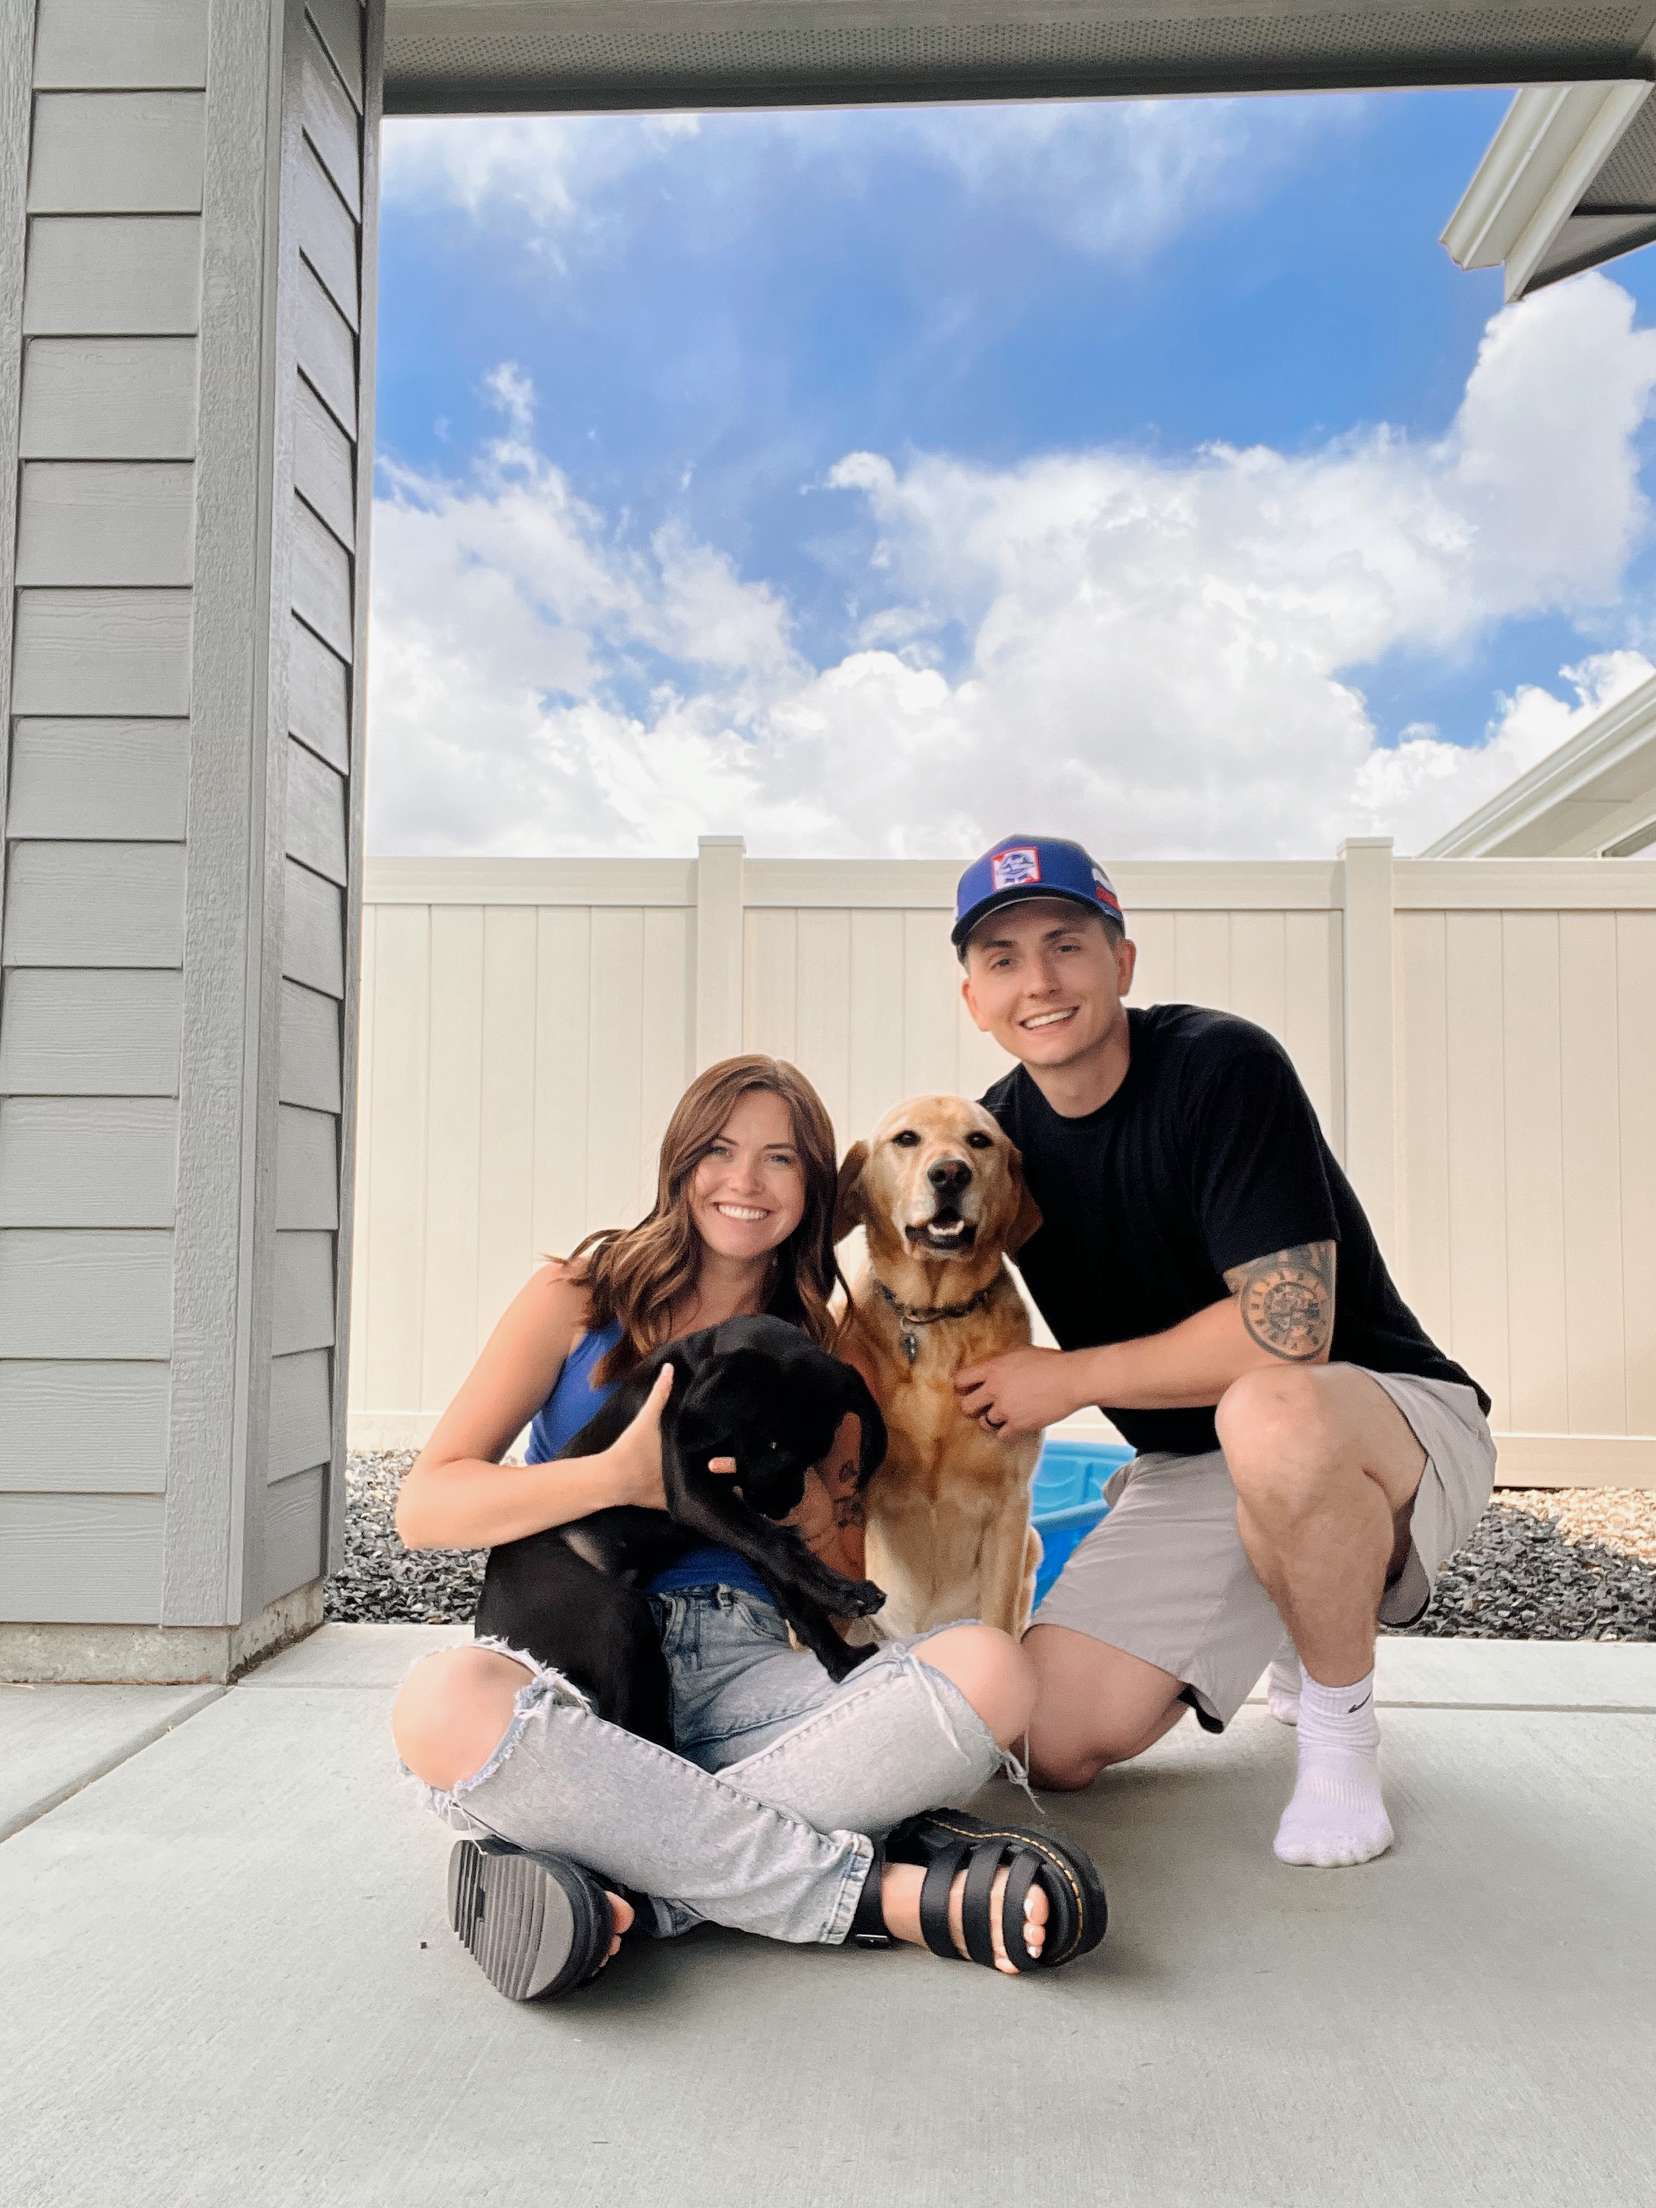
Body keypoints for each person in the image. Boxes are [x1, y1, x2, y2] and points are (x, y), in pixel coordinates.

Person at [391, 1053, 1105, 1998]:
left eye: (779, 1160)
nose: (744, 1182)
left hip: (745, 1664)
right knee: (442, 1705)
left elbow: (844, 1576)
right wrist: (613, 1480)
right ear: (681, 1162)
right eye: (720, 1151)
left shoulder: (824, 1333)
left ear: (817, 1185)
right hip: (576, 1653)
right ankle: (877, 1894)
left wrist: (816, 1504)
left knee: (994, 1671)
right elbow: (425, 1506)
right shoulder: (579, 1295)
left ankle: (625, 1873)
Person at [947, 836, 1496, 1868]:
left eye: (1067, 944)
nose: (1041, 980)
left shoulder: (1218, 1064)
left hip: (1380, 1417)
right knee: (1045, 1740)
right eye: (1005, 958)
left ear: (1124, 962)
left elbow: (1292, 1332)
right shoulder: (995, 1147)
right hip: (1191, 1466)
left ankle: (1338, 1737)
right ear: (973, 997)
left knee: (1268, 1410)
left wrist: (1067, 1381)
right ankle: (1287, 1587)